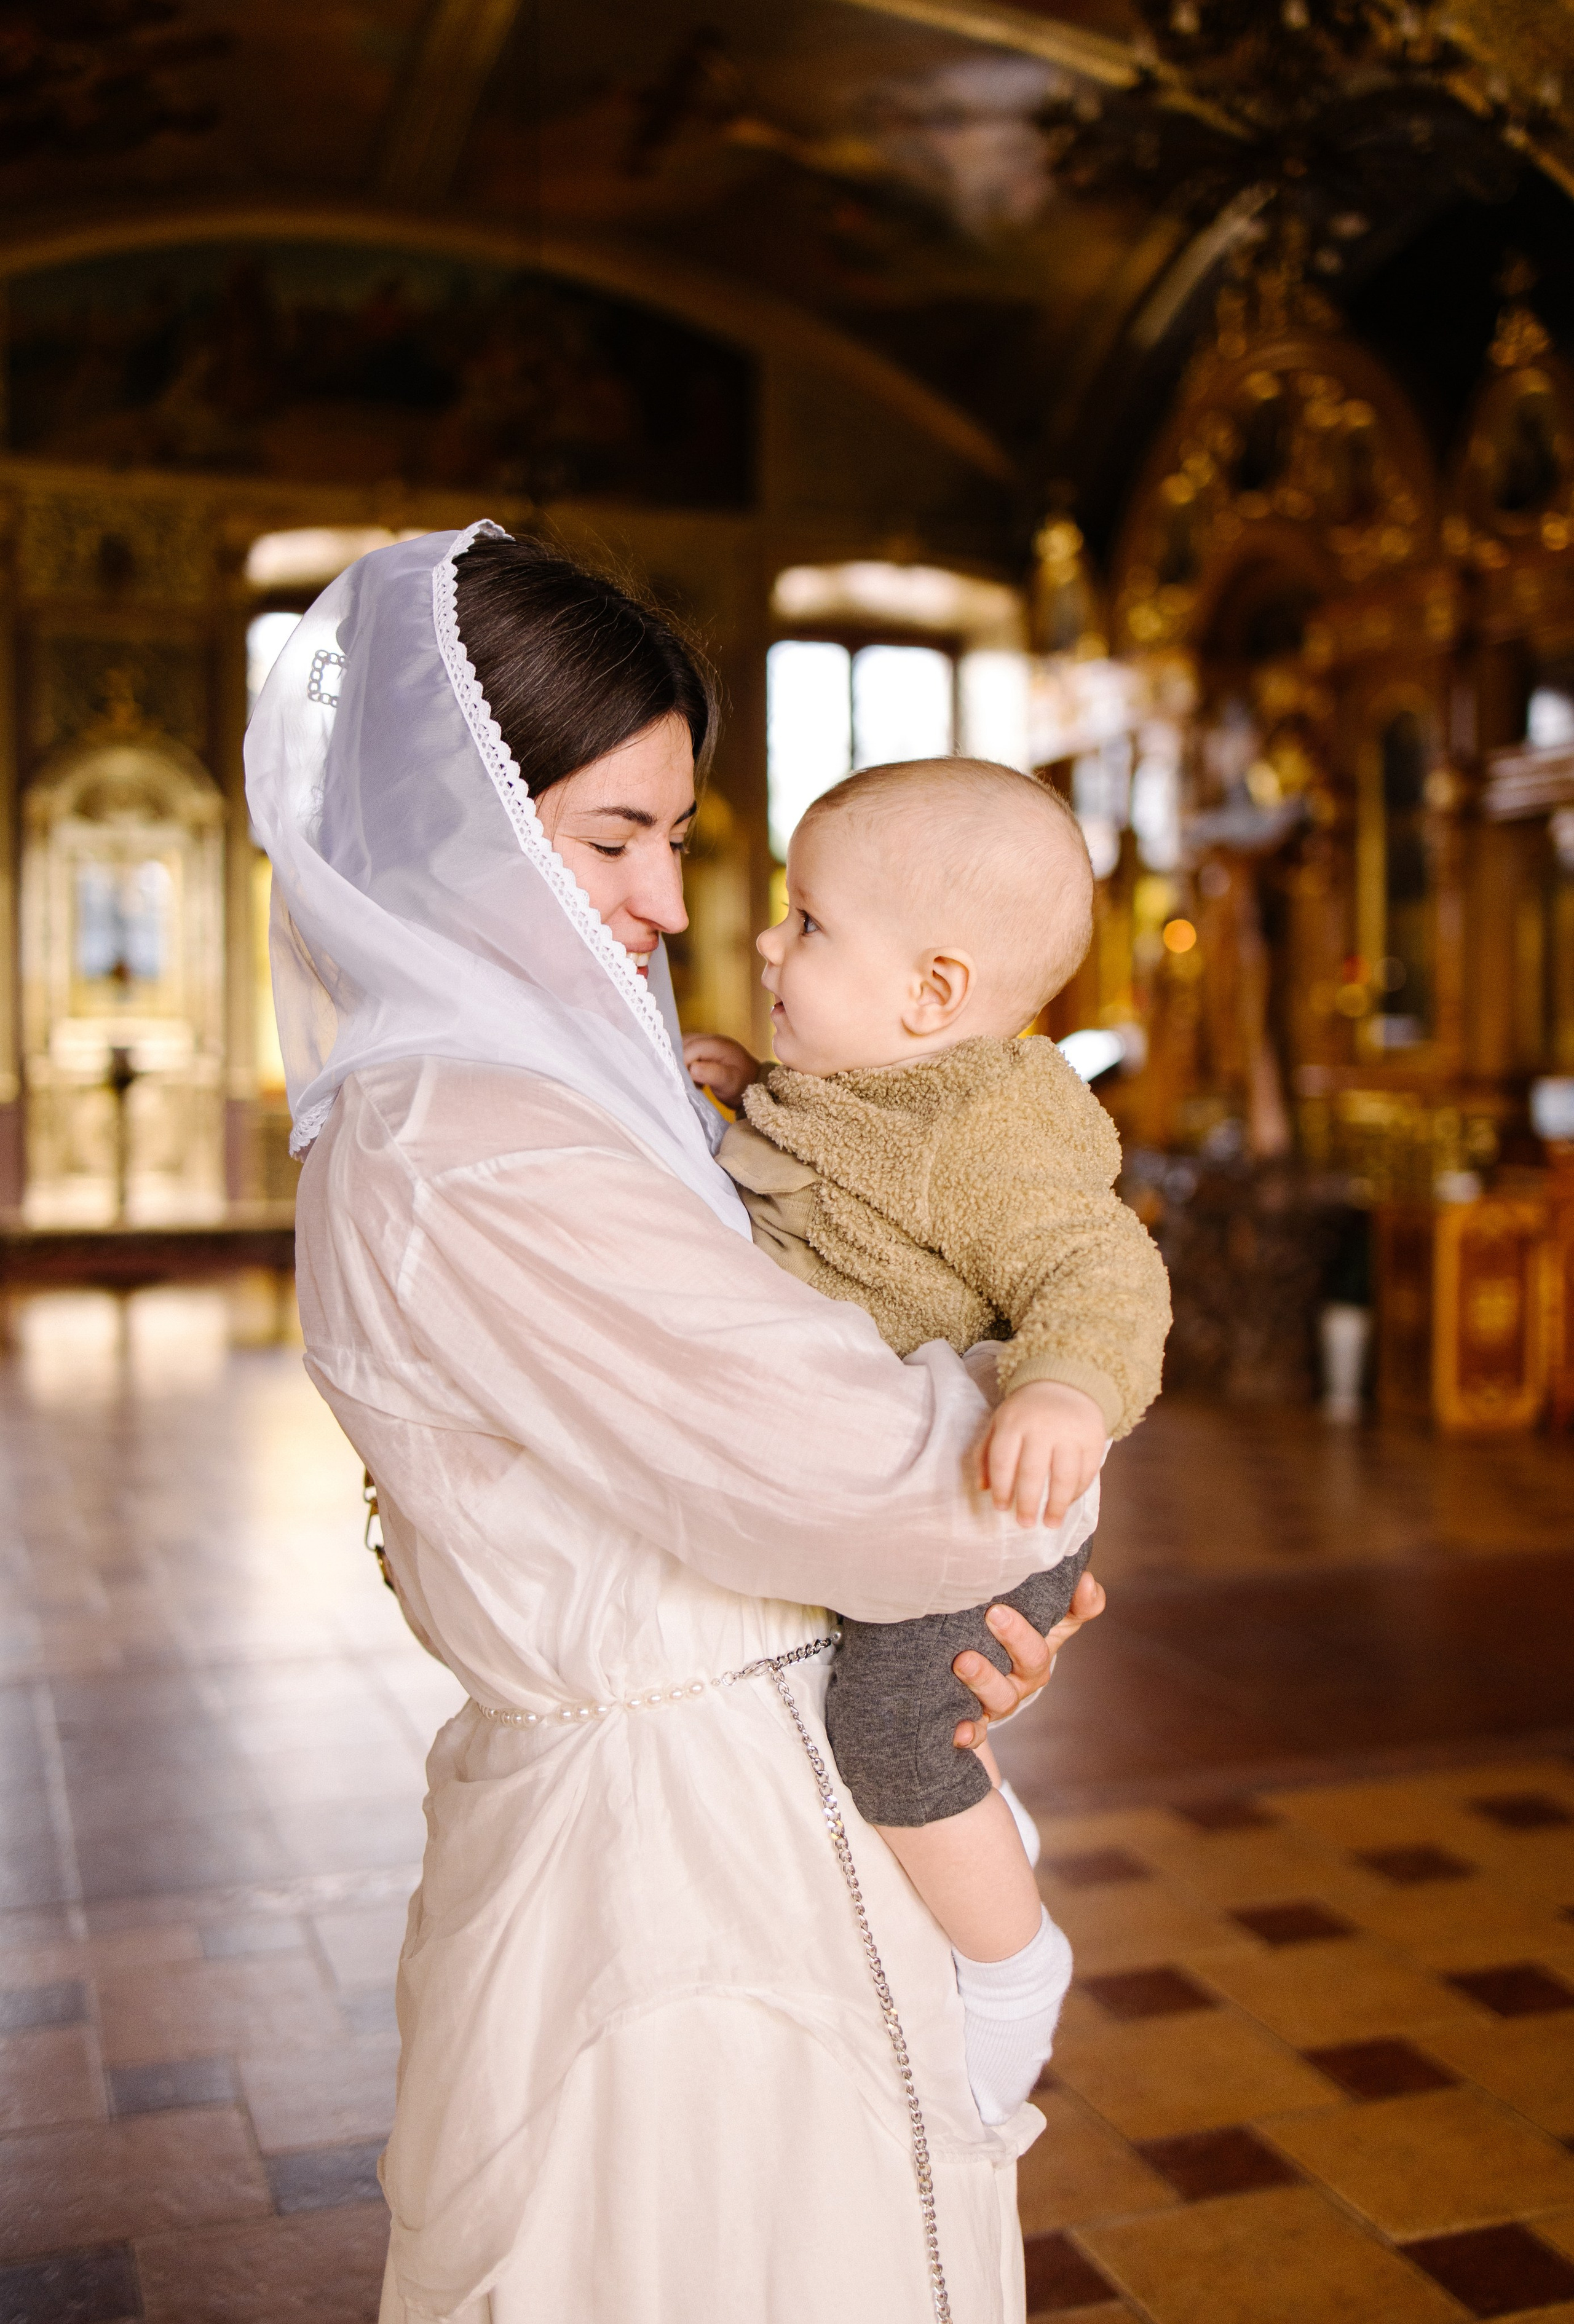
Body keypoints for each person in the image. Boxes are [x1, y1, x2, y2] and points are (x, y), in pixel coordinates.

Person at [247, 521, 1107, 2324]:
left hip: (740, 1779)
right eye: (609, 838)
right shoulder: (467, 1137)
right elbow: (867, 1475)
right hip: (689, 1866)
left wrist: (954, 1616)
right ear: (456, 827)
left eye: (679, 840)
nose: (663, 902)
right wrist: (1026, 1467)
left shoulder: (555, 1089)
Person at [682, 757, 1169, 2124]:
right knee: (896, 1732)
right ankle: (980, 1828)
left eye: (808, 922)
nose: (767, 940)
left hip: (987, 1496)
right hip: (885, 1501)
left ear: (933, 995)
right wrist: (738, 1094)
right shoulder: (860, 1078)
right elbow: (811, 1190)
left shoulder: (977, 1124)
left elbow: (1101, 1267)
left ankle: (1011, 1964)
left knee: (891, 1729)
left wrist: (1064, 1390)